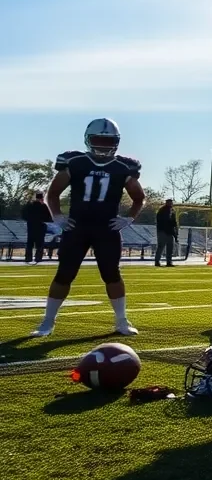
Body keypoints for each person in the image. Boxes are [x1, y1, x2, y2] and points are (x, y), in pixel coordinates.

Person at [30, 118, 144, 338]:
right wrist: (58, 217)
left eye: (108, 140)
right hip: (77, 227)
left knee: (112, 274)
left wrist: (128, 218)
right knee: (64, 274)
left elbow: (139, 198)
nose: (103, 145)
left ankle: (121, 320)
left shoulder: (124, 166)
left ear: (116, 142)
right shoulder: (74, 162)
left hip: (107, 228)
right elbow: (52, 194)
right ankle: (47, 321)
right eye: (99, 140)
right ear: (88, 139)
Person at [21, 191, 49, 263]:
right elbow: (48, 217)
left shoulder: (29, 206)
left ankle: (28, 258)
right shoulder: (44, 207)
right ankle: (38, 258)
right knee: (40, 244)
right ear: (42, 198)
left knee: (29, 243)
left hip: (31, 226)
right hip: (40, 227)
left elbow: (23, 215)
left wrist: (29, 220)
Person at [155, 198, 177, 267]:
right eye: (169, 203)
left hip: (169, 232)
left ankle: (169, 262)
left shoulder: (172, 211)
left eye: (171, 203)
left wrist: (174, 231)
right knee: (161, 247)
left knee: (170, 248)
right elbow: (163, 221)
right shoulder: (162, 211)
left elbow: (174, 222)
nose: (170, 204)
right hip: (163, 231)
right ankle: (157, 261)